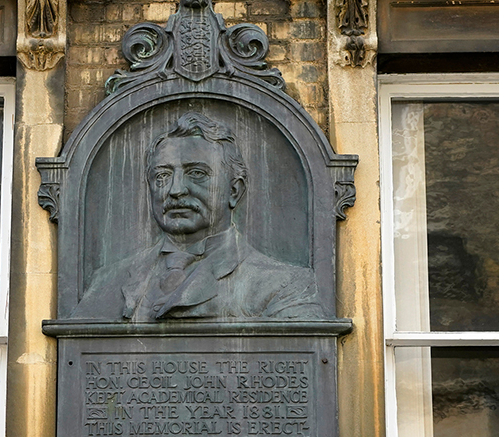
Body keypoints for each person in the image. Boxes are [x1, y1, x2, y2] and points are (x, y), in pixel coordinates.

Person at [71, 112, 324, 321]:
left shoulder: (284, 287)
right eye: (162, 176)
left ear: (234, 190)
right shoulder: (106, 283)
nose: (176, 189)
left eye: (197, 174)